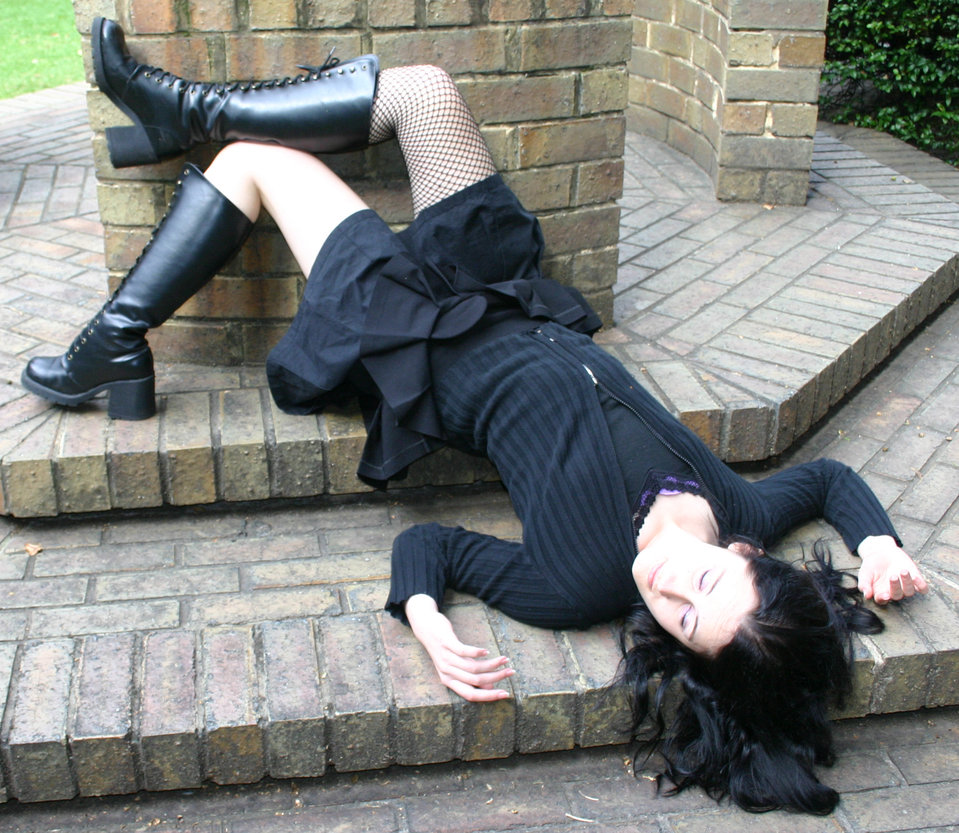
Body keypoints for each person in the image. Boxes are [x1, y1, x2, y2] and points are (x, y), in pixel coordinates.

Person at [21, 18, 928, 815]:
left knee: (251, 163)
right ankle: (177, 122)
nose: (668, 587)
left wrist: (425, 617)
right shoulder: (742, 506)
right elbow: (828, 479)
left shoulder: (574, 586)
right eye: (704, 582)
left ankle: (118, 336)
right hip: (498, 284)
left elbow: (436, 546)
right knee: (423, 91)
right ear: (746, 554)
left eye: (683, 621)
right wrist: (878, 544)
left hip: (416, 332)